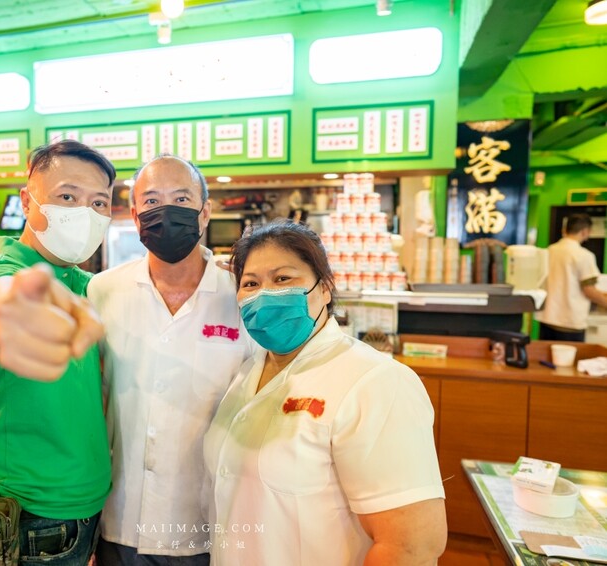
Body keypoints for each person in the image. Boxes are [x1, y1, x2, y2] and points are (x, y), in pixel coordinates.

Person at [203, 220, 447, 566]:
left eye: (283, 279)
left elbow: (411, 547)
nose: (264, 294)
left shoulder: (375, 381)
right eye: (250, 283)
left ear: (325, 288)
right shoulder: (246, 371)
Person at [88, 155, 254, 565]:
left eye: (182, 198)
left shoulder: (243, 295)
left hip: (209, 522)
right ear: (133, 215)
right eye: (151, 200)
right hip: (119, 519)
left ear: (205, 212)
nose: (167, 211)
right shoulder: (103, 291)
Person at [0, 140, 113, 565]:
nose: (86, 212)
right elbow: (6, 301)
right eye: (68, 196)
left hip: (86, 507)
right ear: (28, 202)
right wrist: (20, 313)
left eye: (99, 202)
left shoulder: (86, 284)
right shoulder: (0, 275)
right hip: (24, 515)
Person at [536, 213, 607, 342]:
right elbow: (589, 290)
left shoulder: (549, 250)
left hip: (547, 319)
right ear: (586, 231)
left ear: (564, 230)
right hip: (570, 322)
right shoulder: (584, 255)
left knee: (545, 359)